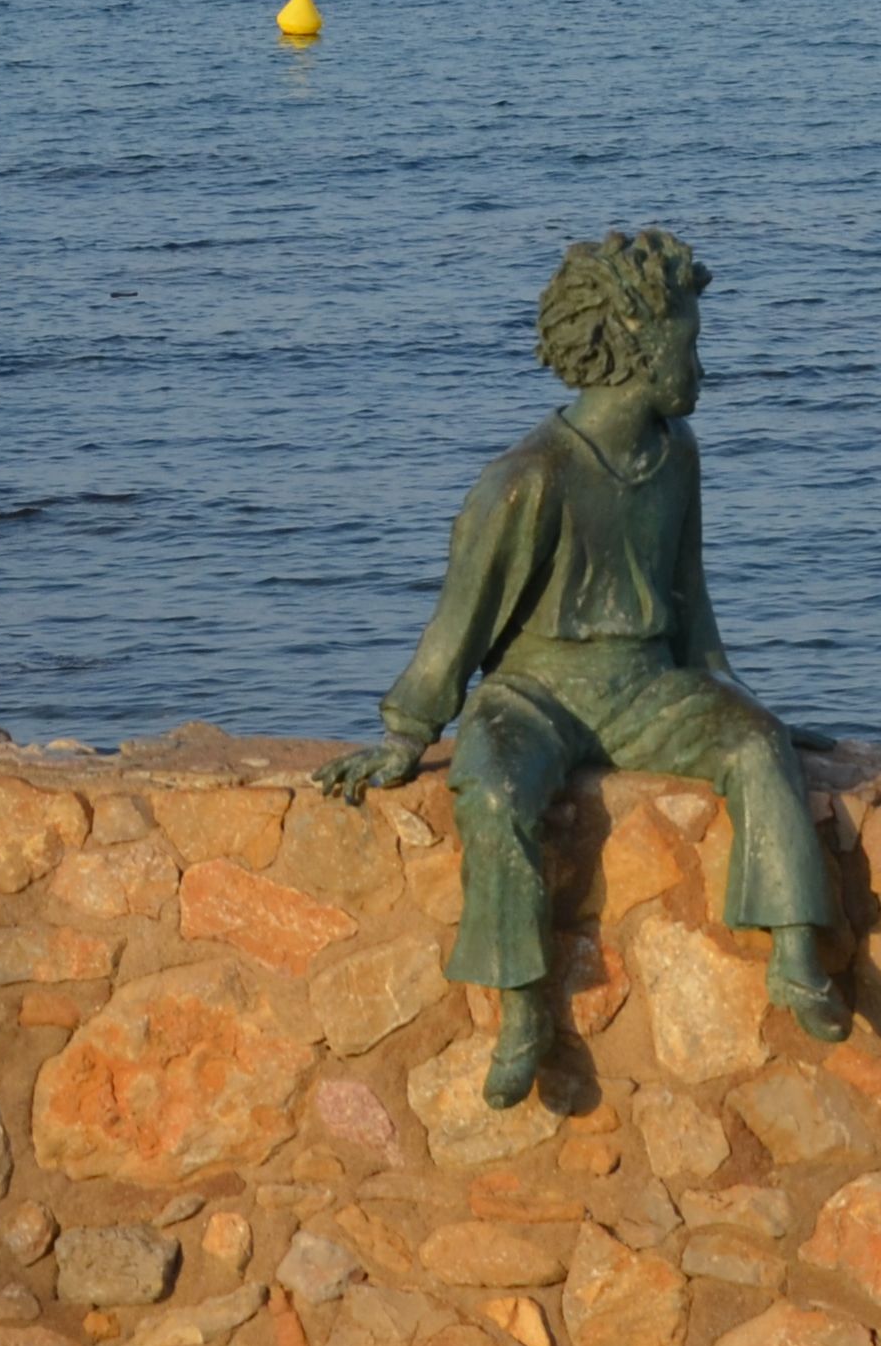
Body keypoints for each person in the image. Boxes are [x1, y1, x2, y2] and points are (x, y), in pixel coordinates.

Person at [317, 228, 846, 1104]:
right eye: (693, 343)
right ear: (638, 346)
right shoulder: (529, 479)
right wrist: (408, 732)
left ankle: (796, 960)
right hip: (533, 694)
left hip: (645, 685)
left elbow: (692, 603)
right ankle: (523, 1007)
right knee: (490, 794)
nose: (704, 366)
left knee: (756, 749)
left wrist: (739, 701)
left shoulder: (677, 458)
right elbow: (461, 620)